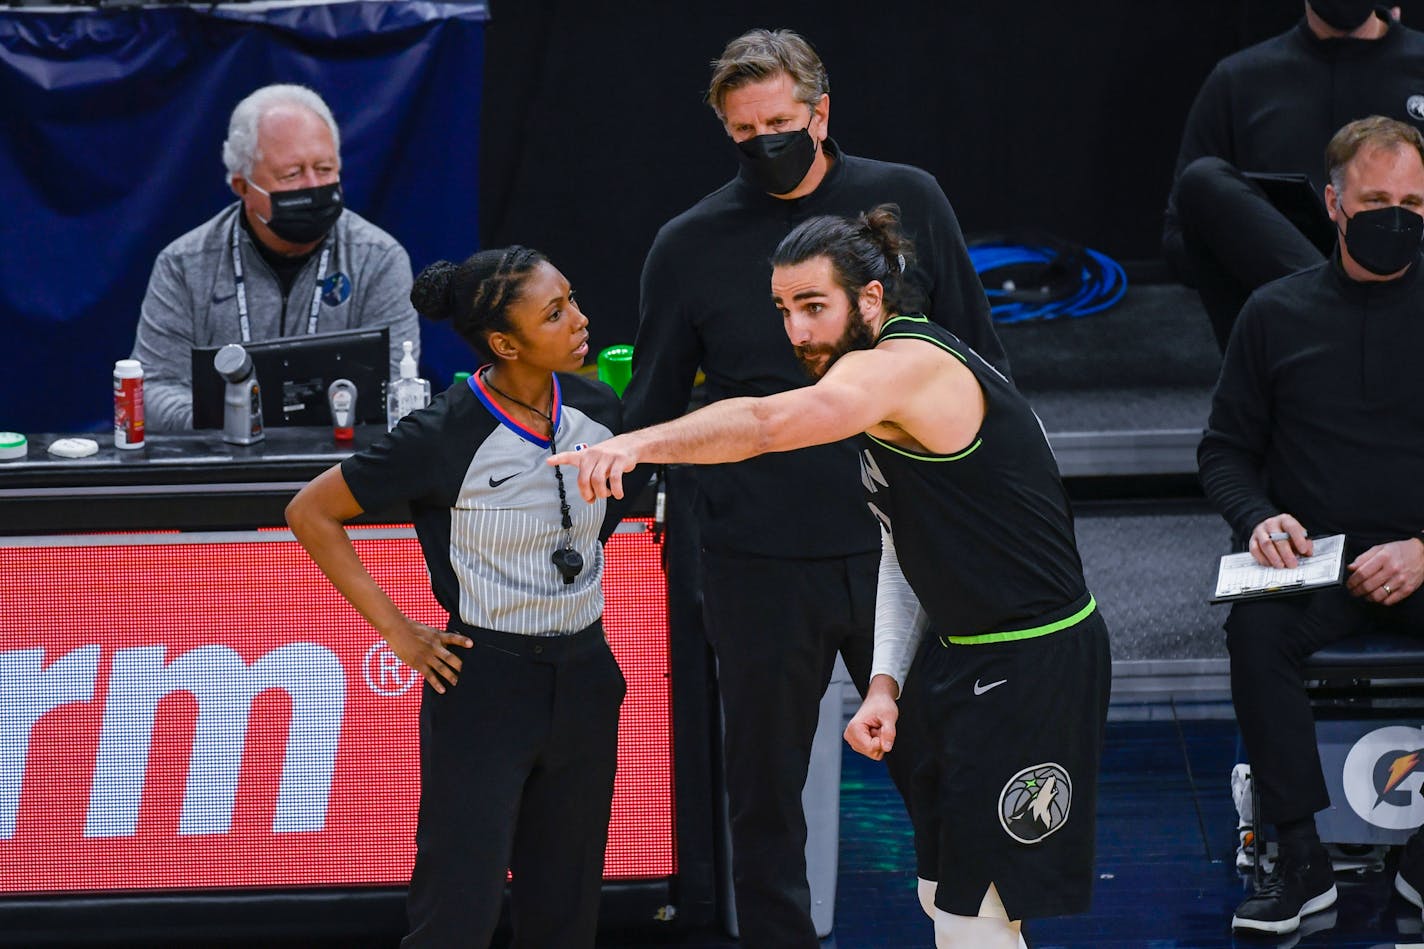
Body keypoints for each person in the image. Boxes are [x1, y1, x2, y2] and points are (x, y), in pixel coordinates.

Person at [553, 207, 1110, 949]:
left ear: (872, 298)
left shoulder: (900, 367)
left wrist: (637, 443)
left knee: (977, 912)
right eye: (784, 309)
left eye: (814, 306)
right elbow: (904, 551)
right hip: (965, 654)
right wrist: (884, 681)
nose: (796, 331)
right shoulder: (876, 389)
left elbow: (764, 425)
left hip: (1033, 660)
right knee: (945, 893)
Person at [623, 28, 1008, 947]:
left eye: (781, 122)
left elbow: (984, 365)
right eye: (743, 128)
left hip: (907, 548)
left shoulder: (908, 199)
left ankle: (978, 937)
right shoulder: (687, 244)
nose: (764, 141)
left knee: (947, 777)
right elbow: (654, 406)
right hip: (757, 558)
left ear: (821, 113)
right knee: (763, 801)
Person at [285, 246, 624, 948]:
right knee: (457, 916)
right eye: (555, 312)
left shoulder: (598, 407)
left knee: (566, 916)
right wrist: (401, 632)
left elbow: (597, 531)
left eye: (573, 298)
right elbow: (310, 512)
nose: (580, 320)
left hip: (588, 675)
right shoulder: (444, 431)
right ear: (505, 343)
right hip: (487, 687)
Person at [1198, 115, 1424, 936]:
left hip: (1423, 554)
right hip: (1314, 560)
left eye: (1413, 201)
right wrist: (1258, 518)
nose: (1396, 216)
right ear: (1333, 203)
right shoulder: (1274, 313)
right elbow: (1223, 450)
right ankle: (1301, 860)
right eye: (1376, 199)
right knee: (1254, 632)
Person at [132, 83, 420, 431]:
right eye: (292, 174)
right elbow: (153, 389)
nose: (313, 186)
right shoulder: (184, 265)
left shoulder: (378, 259)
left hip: (341, 469)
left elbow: (394, 389)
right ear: (243, 187)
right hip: (226, 468)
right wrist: (239, 418)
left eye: (325, 169)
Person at [1162, 1, 1424, 351]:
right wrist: (1266, 248)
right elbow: (1179, 241)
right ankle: (1336, 316)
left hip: (1404, 309)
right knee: (1203, 180)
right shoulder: (1239, 80)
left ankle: (1351, 321)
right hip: (1287, 329)